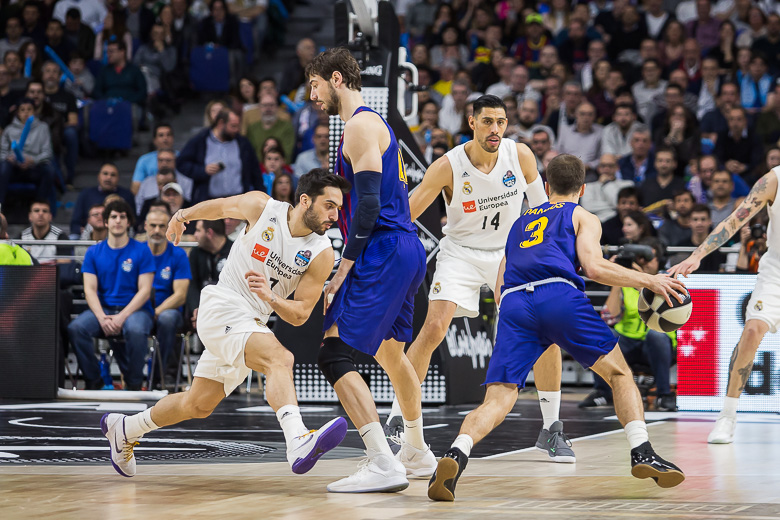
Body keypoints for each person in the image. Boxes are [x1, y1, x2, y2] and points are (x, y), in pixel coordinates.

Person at [427, 154, 686, 502]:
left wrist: (522, 318)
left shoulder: (520, 223)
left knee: (500, 396)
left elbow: (502, 280)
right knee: (620, 375)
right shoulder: (582, 215)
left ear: (547, 187)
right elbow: (593, 268)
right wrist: (648, 281)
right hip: (558, 293)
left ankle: (457, 452)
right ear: (582, 189)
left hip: (516, 304)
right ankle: (642, 451)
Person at [101, 168, 351, 479]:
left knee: (199, 404)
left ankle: (124, 428)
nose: (335, 215)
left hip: (254, 321)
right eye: (329, 205)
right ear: (305, 200)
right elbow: (219, 207)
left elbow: (300, 314)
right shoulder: (262, 207)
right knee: (280, 358)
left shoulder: (322, 253)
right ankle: (298, 440)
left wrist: (272, 299)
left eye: (338, 208)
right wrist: (182, 215)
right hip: (223, 305)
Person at [391, 94, 575, 463]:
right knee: (433, 329)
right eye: (488, 121)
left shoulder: (519, 155)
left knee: (547, 329)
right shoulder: (448, 166)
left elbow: (543, 210)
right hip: (460, 252)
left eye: (501, 122)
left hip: (508, 252)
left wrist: (551, 255)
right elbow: (406, 213)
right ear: (471, 122)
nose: (495, 129)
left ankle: (552, 428)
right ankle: (399, 417)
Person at [308, 47, 431, 493]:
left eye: (315, 85)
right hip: (407, 248)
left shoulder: (359, 125)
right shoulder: (374, 124)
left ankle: (381, 460)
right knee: (391, 355)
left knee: (332, 352)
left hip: (383, 248)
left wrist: (343, 267)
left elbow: (370, 208)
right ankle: (415, 451)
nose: (313, 95)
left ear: (336, 78)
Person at [669, 165, 780, 444]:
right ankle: (727, 417)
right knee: (752, 331)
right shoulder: (774, 179)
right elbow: (734, 220)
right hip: (776, 274)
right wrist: (698, 254)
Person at [581, 238, 679, 412]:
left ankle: (664, 395)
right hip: (628, 341)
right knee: (601, 333)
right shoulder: (626, 283)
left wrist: (643, 281)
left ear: (659, 262)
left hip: (658, 344)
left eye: (648, 259)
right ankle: (602, 392)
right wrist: (618, 280)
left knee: (656, 336)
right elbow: (610, 315)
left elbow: (658, 309)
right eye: (640, 259)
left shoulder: (668, 282)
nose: (644, 264)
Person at [68, 199, 155, 391]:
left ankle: (133, 384)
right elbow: (89, 289)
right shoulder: (93, 252)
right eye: (113, 217)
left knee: (135, 329)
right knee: (76, 328)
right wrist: (102, 317)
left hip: (135, 311)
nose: (118, 220)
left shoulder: (142, 250)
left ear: (129, 222)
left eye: (122, 217)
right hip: (104, 310)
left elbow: (145, 290)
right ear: (106, 222)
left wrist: (121, 317)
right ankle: (95, 381)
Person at [143, 208, 191, 387]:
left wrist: (155, 312)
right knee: (129, 321)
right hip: (139, 308)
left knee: (167, 319)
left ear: (168, 228)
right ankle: (130, 376)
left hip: (168, 310)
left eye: (162, 226)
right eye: (153, 226)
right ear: (146, 226)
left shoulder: (177, 254)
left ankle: (163, 376)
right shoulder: (137, 252)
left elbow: (180, 295)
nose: (157, 230)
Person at [177, 108, 262, 203]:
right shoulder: (201, 140)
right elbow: (181, 163)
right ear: (221, 124)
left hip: (237, 202)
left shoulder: (243, 143)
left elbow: (255, 171)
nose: (237, 130)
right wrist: (202, 170)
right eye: (233, 126)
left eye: (238, 126)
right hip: (209, 201)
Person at [0, 97, 55, 211]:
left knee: (49, 170)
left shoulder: (43, 127)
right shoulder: (9, 129)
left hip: (33, 167)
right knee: (4, 167)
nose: (26, 112)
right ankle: (1, 207)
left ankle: (39, 207)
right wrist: (9, 158)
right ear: (18, 113)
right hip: (14, 168)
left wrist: (33, 160)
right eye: (22, 110)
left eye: (29, 109)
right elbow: (2, 152)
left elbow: (47, 152)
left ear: (34, 112)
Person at [187, 219, 233, 331]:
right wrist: (196, 309)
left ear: (209, 233)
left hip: (229, 309)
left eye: (198, 230)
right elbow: (193, 286)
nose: (195, 235)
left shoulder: (234, 251)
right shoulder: (195, 253)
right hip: (202, 308)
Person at [70, 163, 135, 238]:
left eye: (113, 175)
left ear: (118, 178)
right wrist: (84, 231)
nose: (108, 177)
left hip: (121, 234)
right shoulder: (86, 194)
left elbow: (133, 221)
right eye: (105, 173)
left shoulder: (127, 195)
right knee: (73, 238)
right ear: (98, 176)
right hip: (89, 233)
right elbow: (75, 222)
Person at [580, 154, 634, 222]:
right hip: (596, 224)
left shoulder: (627, 184)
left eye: (610, 166)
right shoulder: (588, 187)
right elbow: (588, 207)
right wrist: (616, 208)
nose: (606, 169)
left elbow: (619, 203)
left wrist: (606, 184)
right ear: (598, 168)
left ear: (617, 167)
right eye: (603, 166)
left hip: (620, 223)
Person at [21, 200, 71, 265]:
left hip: (53, 275)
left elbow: (64, 268)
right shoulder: (22, 237)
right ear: (30, 216)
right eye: (36, 211)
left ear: (50, 216)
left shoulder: (61, 237)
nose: (41, 214)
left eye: (45, 211)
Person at [131, 123, 176, 194]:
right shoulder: (144, 160)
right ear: (154, 140)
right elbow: (135, 188)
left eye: (168, 135)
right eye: (161, 135)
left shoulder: (182, 157)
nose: (165, 138)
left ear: (173, 138)